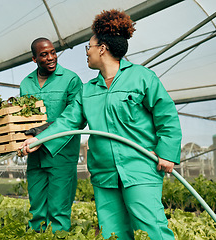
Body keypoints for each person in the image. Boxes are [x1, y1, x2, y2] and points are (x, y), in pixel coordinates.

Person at [20, 10, 181, 239]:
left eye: (89, 47)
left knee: (152, 228)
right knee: (112, 232)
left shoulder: (142, 77)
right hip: (104, 173)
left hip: (139, 167)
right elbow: (68, 120)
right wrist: (39, 139)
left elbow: (166, 115)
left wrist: (167, 152)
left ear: (102, 49)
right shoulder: (88, 89)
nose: (87, 53)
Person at [20, 37, 83, 232]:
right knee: (36, 208)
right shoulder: (26, 83)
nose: (50, 57)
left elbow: (77, 118)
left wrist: (41, 136)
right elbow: (22, 118)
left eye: (53, 52)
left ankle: (59, 236)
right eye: (44, 54)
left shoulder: (71, 79)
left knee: (58, 210)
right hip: (35, 156)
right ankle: (37, 235)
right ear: (34, 59)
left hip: (61, 154)